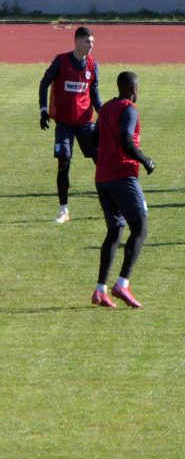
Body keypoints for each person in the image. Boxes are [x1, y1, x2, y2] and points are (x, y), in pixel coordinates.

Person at [91, 71, 156, 309]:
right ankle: (122, 284)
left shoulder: (106, 108)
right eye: (137, 87)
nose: (138, 92)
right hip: (122, 176)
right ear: (131, 88)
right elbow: (126, 140)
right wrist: (145, 159)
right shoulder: (129, 109)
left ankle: (100, 290)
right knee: (140, 228)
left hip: (102, 178)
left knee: (115, 230)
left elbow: (94, 139)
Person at [38, 26, 102, 224]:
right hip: (64, 124)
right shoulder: (61, 61)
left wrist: (106, 115)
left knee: (102, 162)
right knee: (63, 165)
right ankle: (63, 210)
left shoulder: (93, 65)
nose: (91, 45)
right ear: (77, 41)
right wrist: (43, 110)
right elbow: (44, 83)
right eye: (87, 41)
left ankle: (110, 202)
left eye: (92, 41)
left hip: (85, 124)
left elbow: (95, 95)